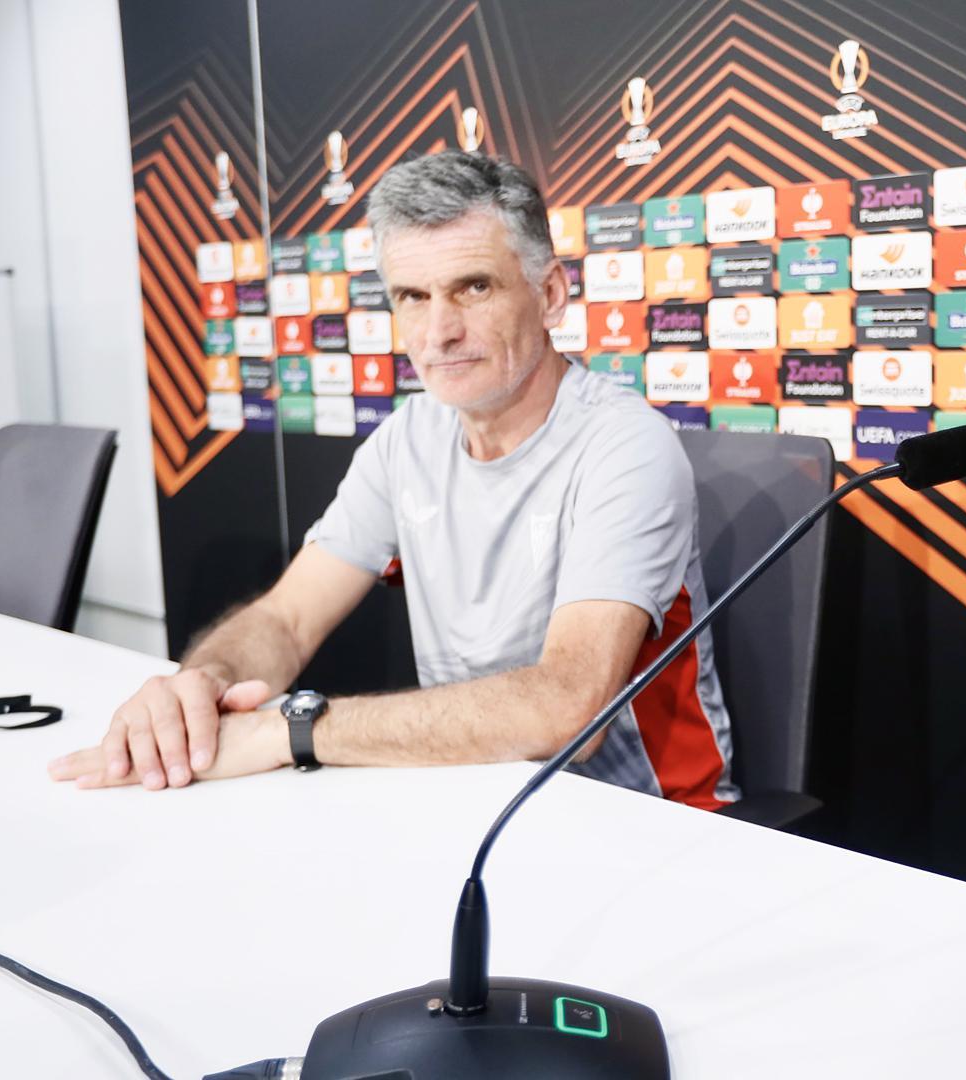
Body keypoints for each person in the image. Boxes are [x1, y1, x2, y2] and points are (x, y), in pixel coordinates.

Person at [50, 151, 737, 810]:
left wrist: (290, 732)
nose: (439, 332)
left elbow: (566, 710)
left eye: (474, 288)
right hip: (469, 803)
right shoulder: (408, 438)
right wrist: (202, 688)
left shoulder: (624, 445)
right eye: (412, 296)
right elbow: (287, 620)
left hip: (649, 824)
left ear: (550, 294)